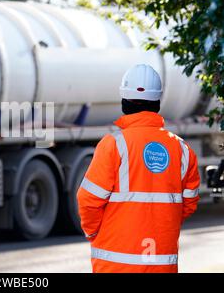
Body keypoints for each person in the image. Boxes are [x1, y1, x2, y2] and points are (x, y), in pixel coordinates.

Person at [77, 64, 200, 273]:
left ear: (124, 102)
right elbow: (187, 204)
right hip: (162, 266)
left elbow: (88, 200)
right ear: (158, 103)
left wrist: (94, 233)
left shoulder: (113, 145)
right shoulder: (182, 150)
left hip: (115, 266)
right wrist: (161, 221)